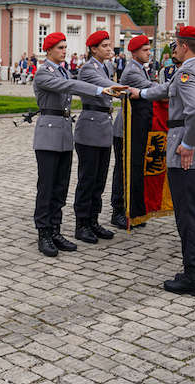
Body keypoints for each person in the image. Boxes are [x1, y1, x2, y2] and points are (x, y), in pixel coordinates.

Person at [134, 26, 195, 296]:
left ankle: (194, 277)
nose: (173, 50)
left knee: (189, 214)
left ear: (183, 46)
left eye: (175, 46)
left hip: (186, 144)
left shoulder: (187, 72)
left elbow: (194, 109)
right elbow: (168, 90)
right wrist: (140, 93)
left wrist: (187, 144)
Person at [32, 31, 126, 258]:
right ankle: (44, 232)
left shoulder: (62, 70)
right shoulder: (43, 73)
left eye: (65, 47)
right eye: (60, 48)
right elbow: (71, 86)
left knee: (61, 187)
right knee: (47, 187)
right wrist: (98, 89)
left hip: (63, 133)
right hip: (48, 135)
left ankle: (55, 230)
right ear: (49, 50)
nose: (64, 51)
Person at [73, 31, 120, 245]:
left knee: (100, 179)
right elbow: (108, 87)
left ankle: (93, 220)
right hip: (90, 128)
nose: (110, 49)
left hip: (102, 127)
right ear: (93, 49)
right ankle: (82, 224)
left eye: (110, 45)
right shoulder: (88, 69)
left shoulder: (106, 66)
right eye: (104, 46)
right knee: (88, 179)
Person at [110, 35, 155, 230]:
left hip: (136, 126)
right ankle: (118, 210)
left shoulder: (140, 69)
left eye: (149, 49)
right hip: (125, 129)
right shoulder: (131, 72)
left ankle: (132, 209)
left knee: (134, 169)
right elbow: (154, 89)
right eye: (145, 50)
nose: (149, 53)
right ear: (135, 52)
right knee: (123, 170)